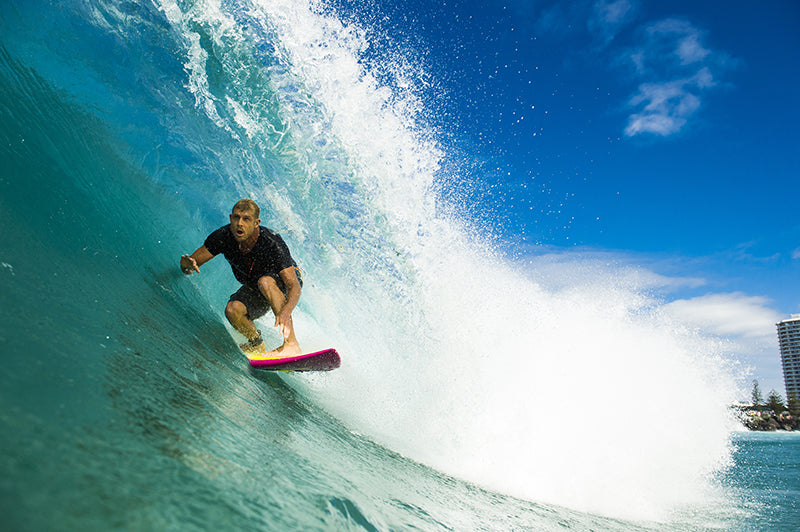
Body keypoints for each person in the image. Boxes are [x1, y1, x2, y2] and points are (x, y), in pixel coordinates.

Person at [180, 199, 302, 356]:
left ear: (256, 223)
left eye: (246, 219)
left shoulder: (271, 243)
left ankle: (291, 344)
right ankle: (256, 343)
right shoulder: (223, 237)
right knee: (233, 310)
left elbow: (294, 286)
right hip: (257, 286)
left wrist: (285, 312)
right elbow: (190, 267)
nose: (240, 224)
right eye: (236, 217)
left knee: (265, 282)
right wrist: (186, 265)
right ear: (230, 218)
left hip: (283, 281)